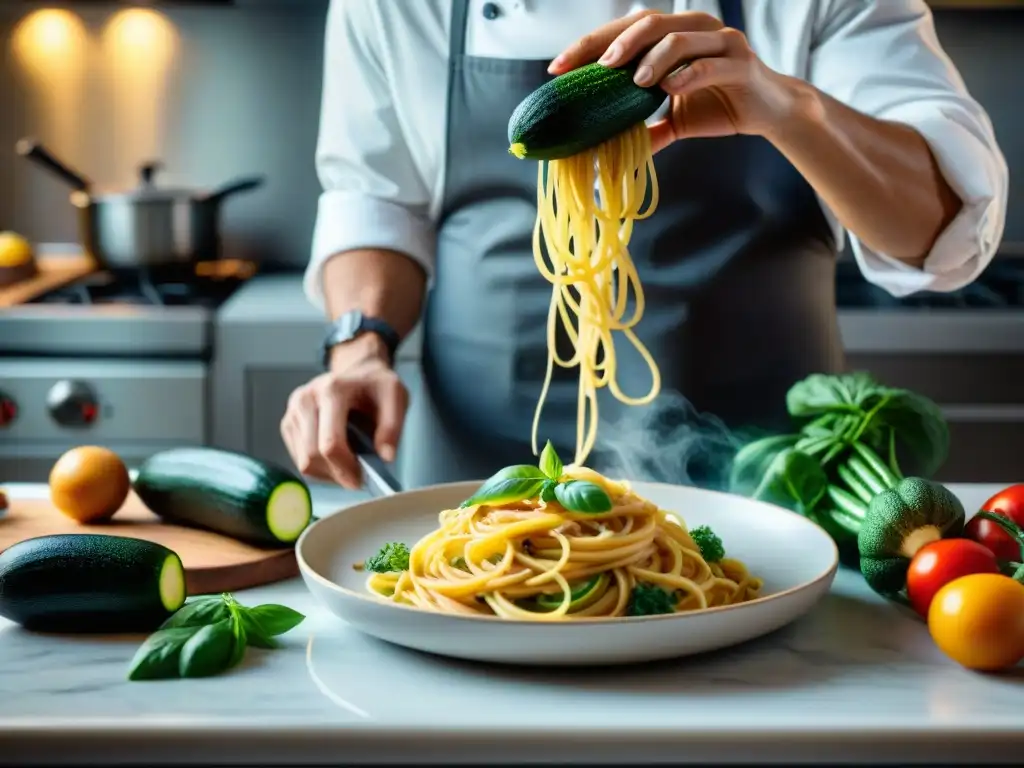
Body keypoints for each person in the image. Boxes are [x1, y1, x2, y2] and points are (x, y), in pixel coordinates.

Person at [281, 0, 1007, 491]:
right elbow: (375, 196)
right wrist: (360, 345)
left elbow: (942, 227)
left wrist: (792, 109)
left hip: (763, 485)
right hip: (476, 481)